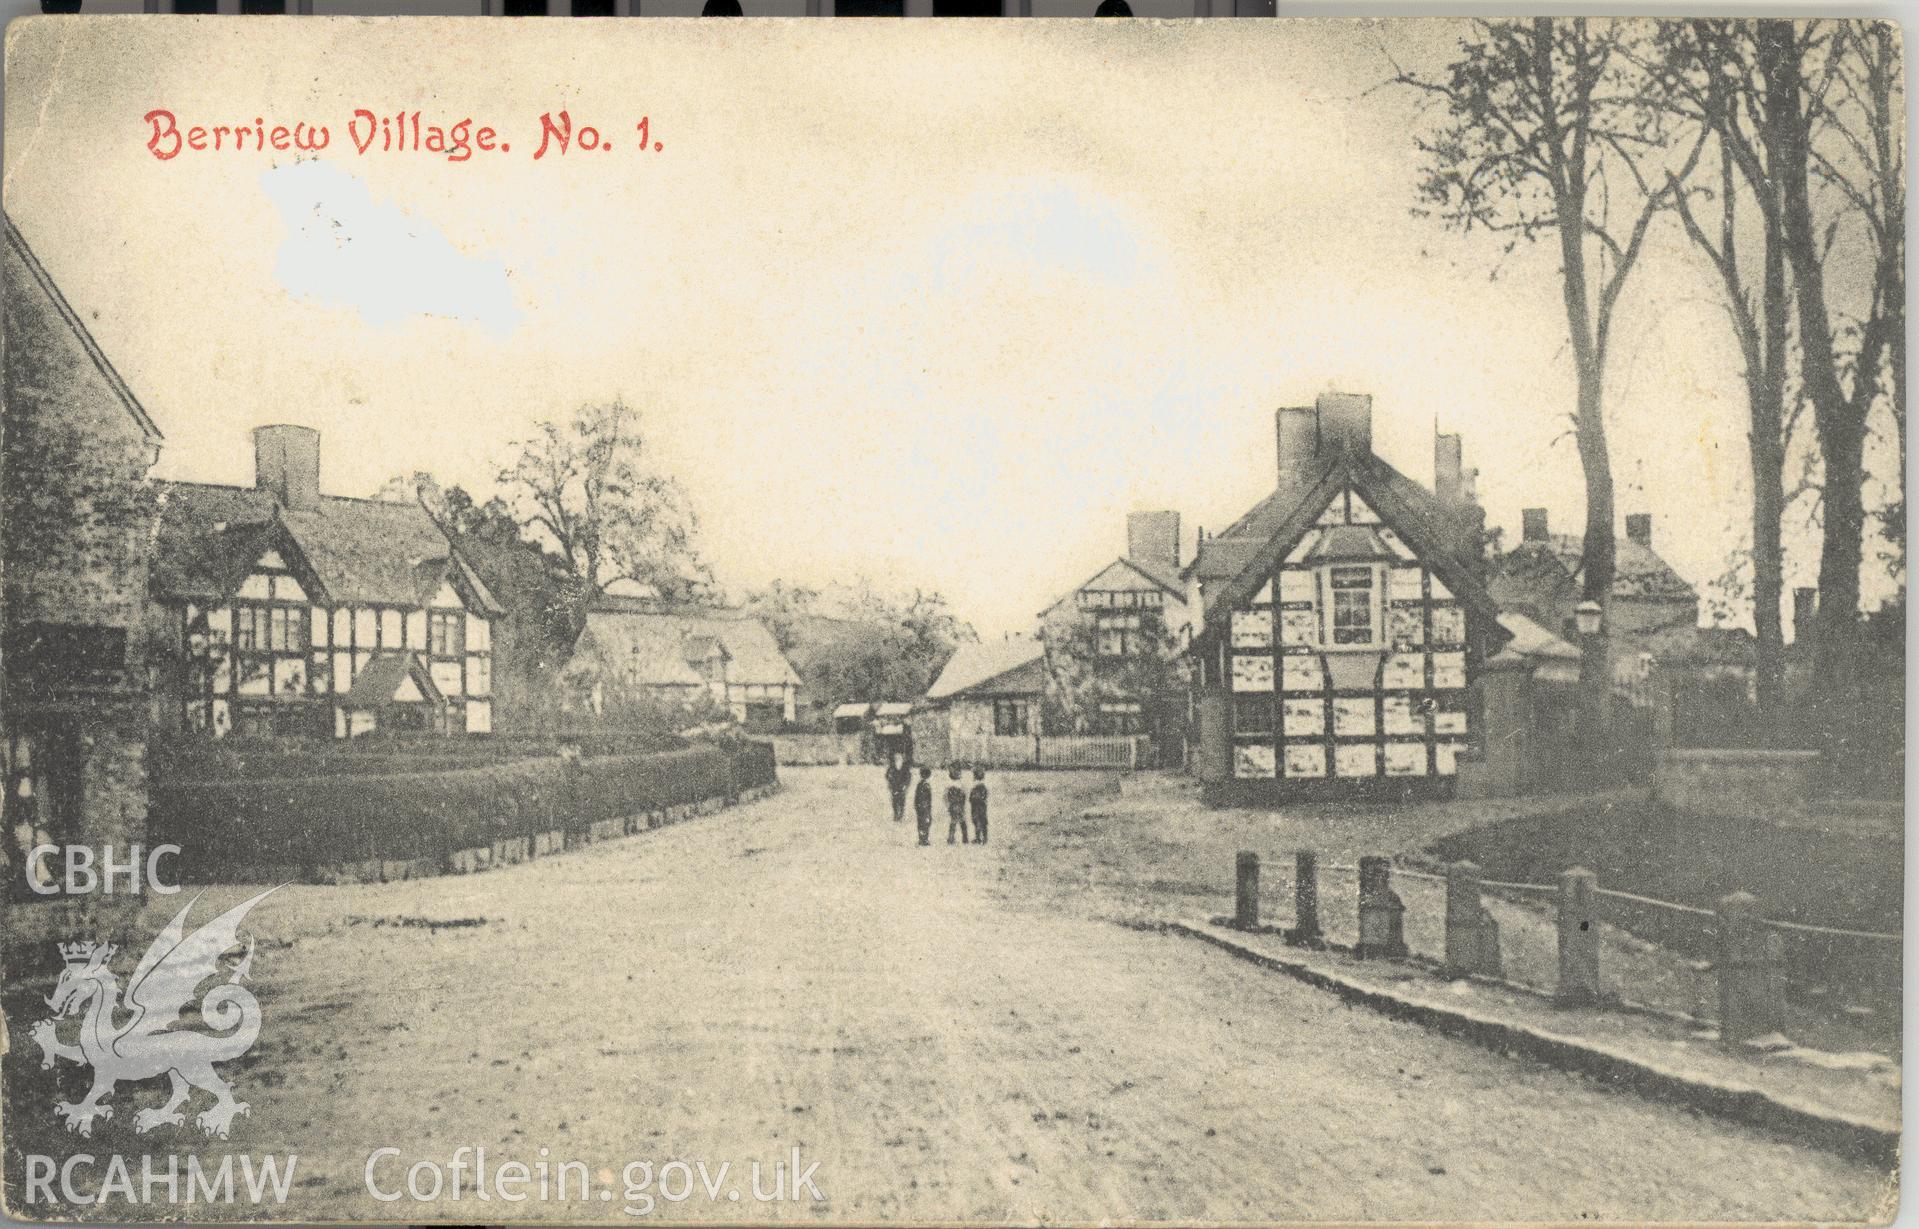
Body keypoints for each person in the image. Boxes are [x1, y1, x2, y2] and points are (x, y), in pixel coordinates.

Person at [945, 766, 969, 845]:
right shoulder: (961, 784)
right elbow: (965, 795)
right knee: (962, 821)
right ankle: (965, 838)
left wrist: (948, 805)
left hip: (953, 806)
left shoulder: (949, 785)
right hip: (960, 805)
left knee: (953, 822)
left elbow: (946, 797)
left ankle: (951, 838)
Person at [884, 753, 910, 823]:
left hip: (902, 787)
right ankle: (896, 814)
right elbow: (887, 775)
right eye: (896, 759)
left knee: (901, 801)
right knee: (895, 802)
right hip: (894, 787)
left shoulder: (905, 768)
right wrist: (890, 780)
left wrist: (905, 785)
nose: (898, 760)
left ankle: (900, 815)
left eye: (899, 758)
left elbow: (908, 777)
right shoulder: (892, 767)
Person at [912, 767, 934, 846]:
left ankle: (922, 838)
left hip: (921, 807)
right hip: (924, 807)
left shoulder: (920, 784)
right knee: (925, 823)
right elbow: (926, 798)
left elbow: (917, 797)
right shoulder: (925, 785)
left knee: (922, 823)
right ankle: (924, 839)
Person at [968, 767, 988, 845]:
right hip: (981, 807)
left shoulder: (976, 786)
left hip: (977, 807)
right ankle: (983, 838)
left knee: (978, 822)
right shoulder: (983, 786)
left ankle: (980, 838)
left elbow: (972, 798)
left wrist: (973, 799)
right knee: (982, 822)